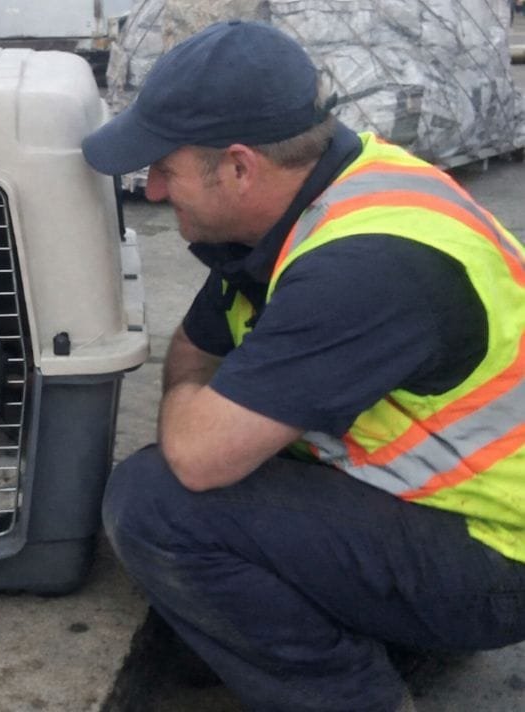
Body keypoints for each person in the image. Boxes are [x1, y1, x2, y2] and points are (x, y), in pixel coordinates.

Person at [82, 19, 525, 712]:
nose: (158, 193)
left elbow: (200, 453)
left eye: (165, 168)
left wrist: (200, 400)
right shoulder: (317, 195)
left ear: (237, 167)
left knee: (157, 503)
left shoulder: (366, 265)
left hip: (500, 554)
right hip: (440, 507)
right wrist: (202, 393)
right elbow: (200, 345)